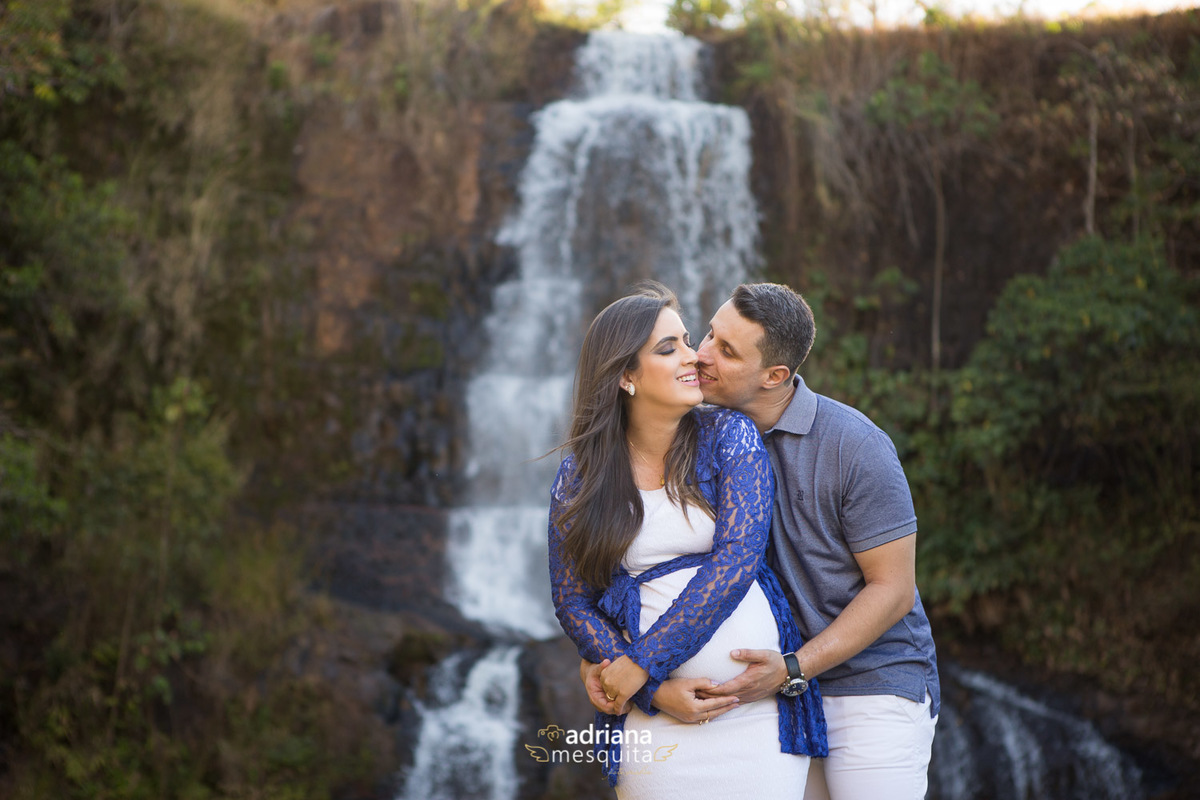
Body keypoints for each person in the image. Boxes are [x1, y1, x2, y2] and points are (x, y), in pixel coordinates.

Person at [653, 281, 941, 800]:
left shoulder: (855, 445)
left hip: (870, 684)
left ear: (775, 376)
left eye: (727, 350)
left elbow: (893, 590)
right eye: (710, 335)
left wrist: (792, 669)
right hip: (761, 696)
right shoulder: (689, 438)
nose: (702, 355)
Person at [547, 283, 826, 797]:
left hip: (751, 713)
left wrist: (641, 664)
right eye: (667, 348)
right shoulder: (580, 476)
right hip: (654, 721)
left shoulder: (729, 435)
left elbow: (738, 559)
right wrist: (652, 691)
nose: (693, 356)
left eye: (687, 340)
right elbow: (572, 599)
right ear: (625, 376)